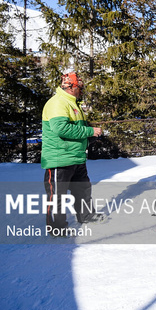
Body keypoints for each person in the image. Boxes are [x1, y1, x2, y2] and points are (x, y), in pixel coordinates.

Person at [41, 71, 105, 232]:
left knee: (83, 189)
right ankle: (57, 227)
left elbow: (77, 130)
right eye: (79, 86)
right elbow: (61, 129)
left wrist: (90, 137)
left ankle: (86, 215)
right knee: (57, 196)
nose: (81, 89)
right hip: (59, 158)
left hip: (76, 157)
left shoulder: (72, 103)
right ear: (70, 87)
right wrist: (90, 132)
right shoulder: (58, 103)